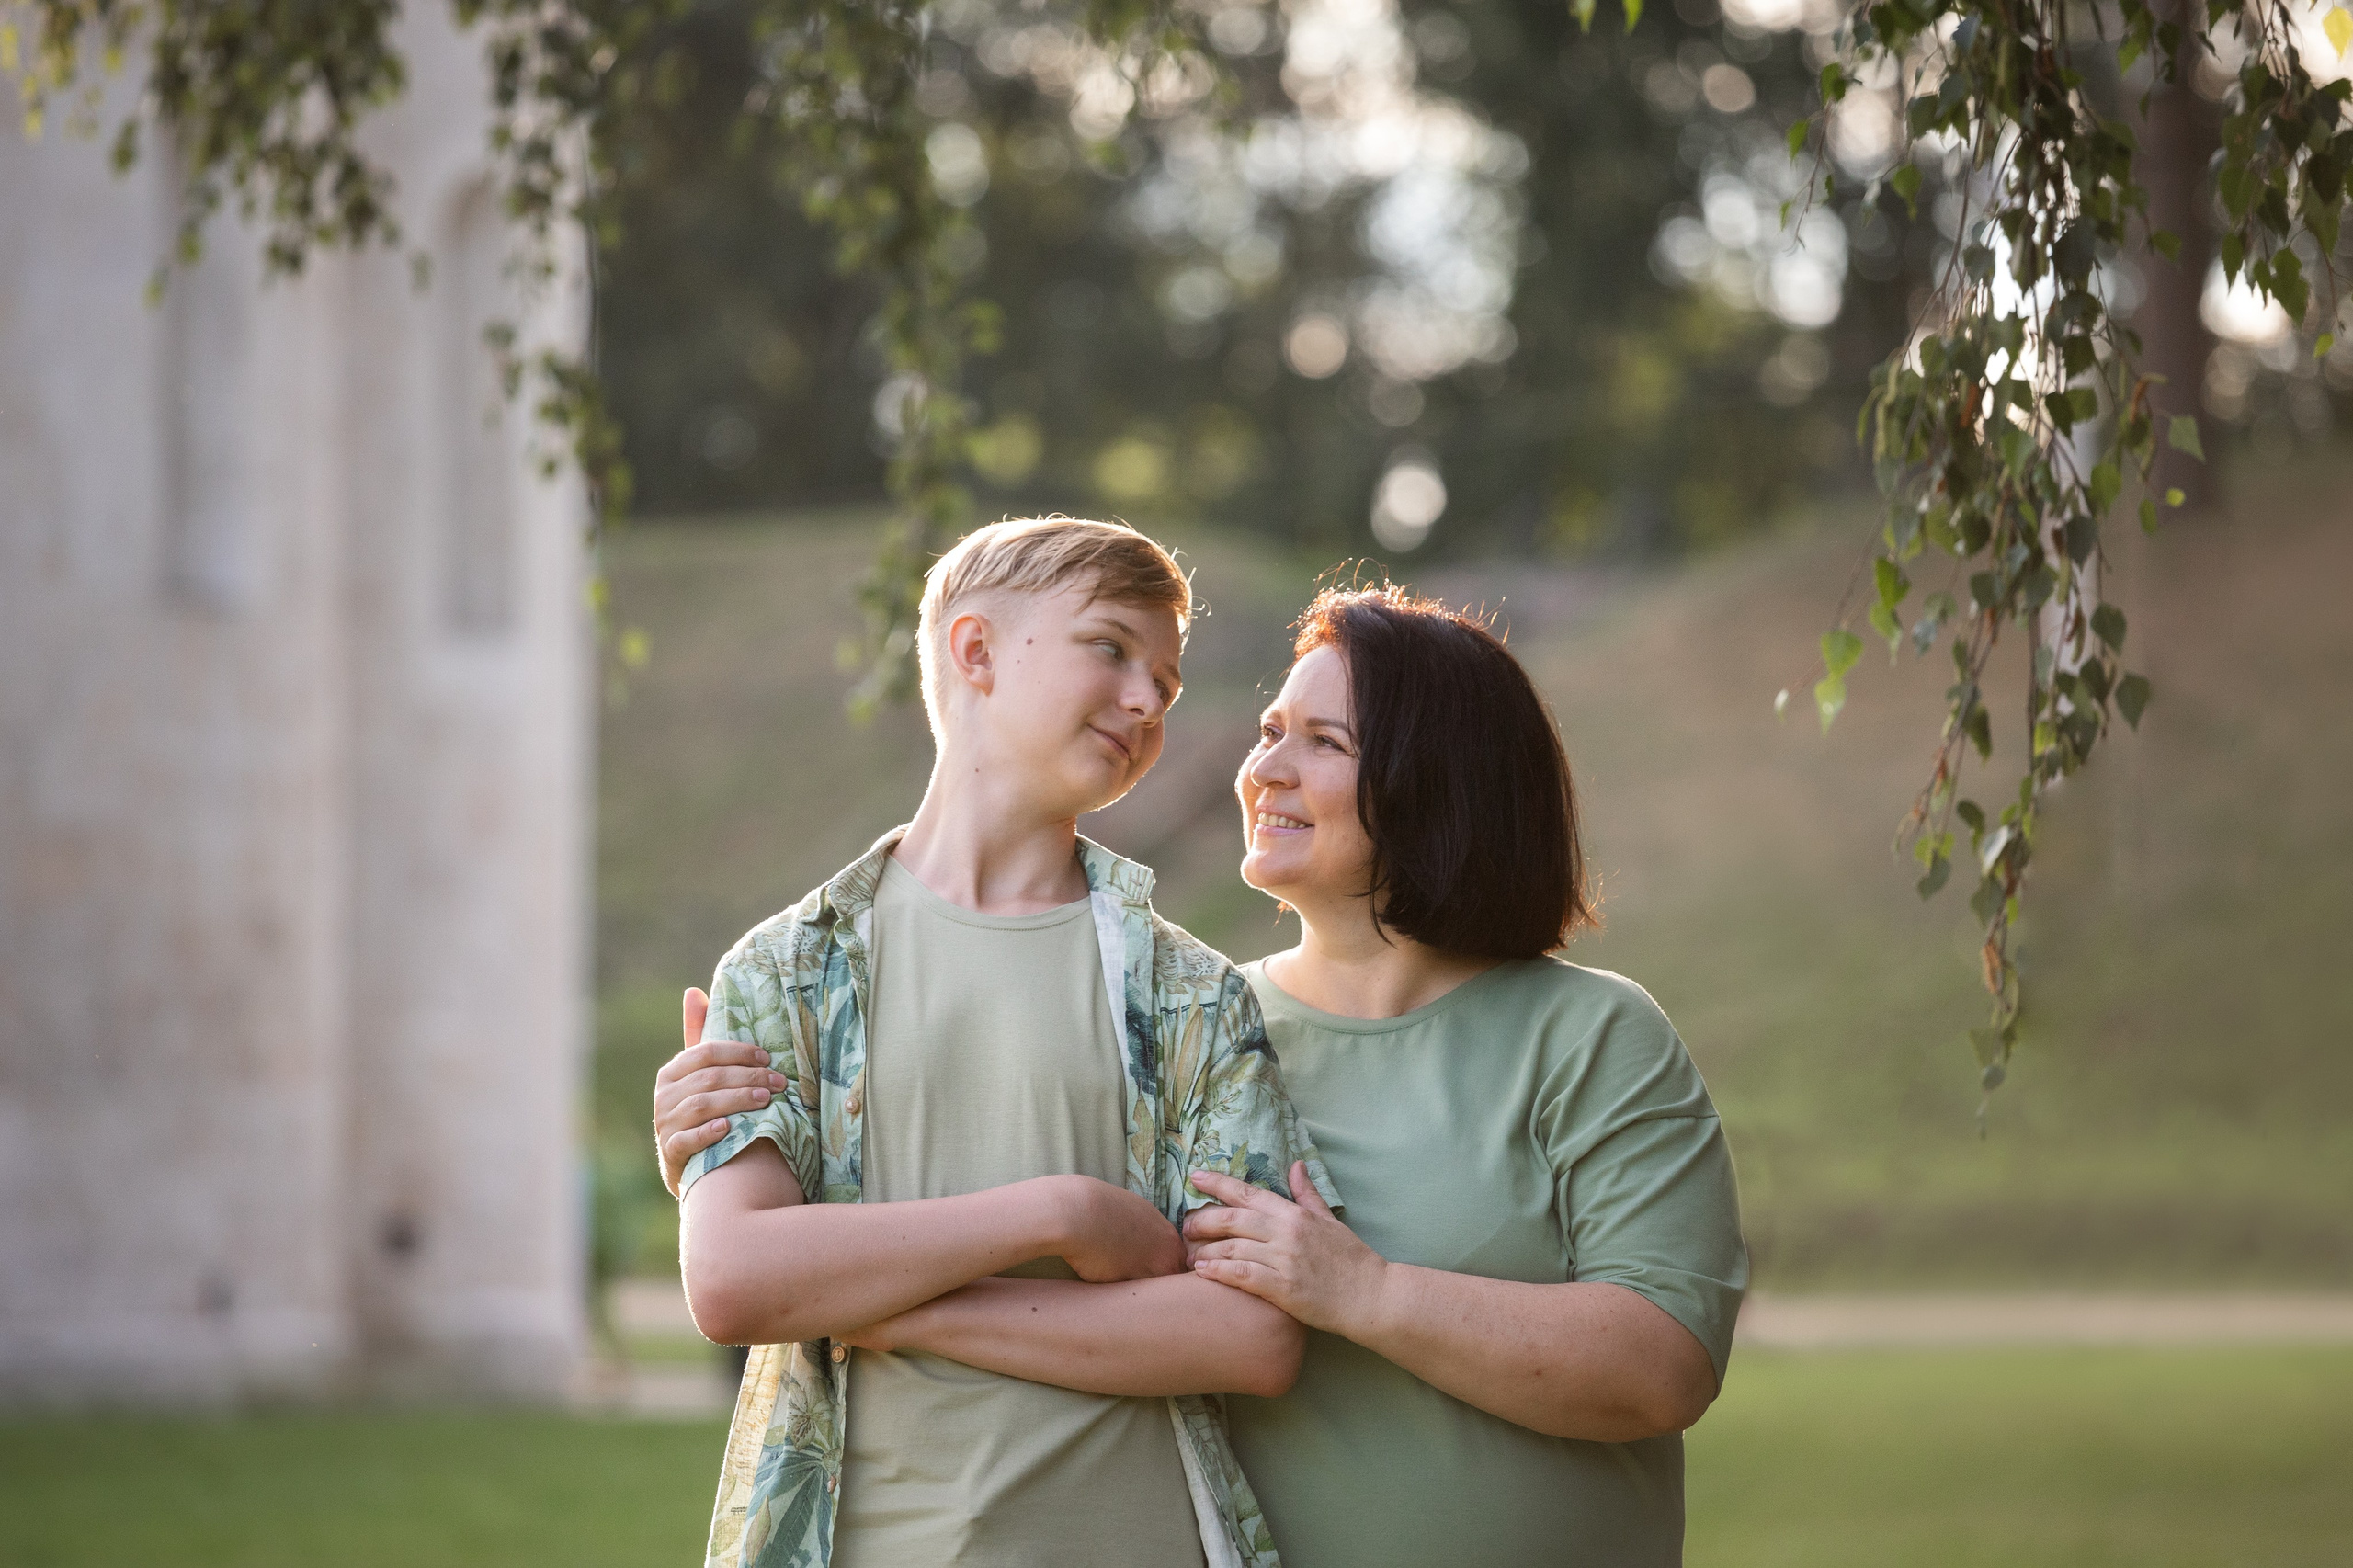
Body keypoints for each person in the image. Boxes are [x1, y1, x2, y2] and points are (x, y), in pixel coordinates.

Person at [658, 582, 1746, 1568]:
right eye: (1270, 730)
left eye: (1323, 741)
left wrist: (1363, 1291)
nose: (1263, 767)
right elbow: (963, 1218)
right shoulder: (1184, 1021)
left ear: (1441, 780)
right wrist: (731, 1145)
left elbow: (1661, 1367)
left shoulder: (1590, 1035)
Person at [670, 517, 1338, 1568]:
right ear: (975, 649)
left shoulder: (1191, 995)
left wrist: (875, 1298)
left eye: (1165, 684)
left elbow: (1251, 1335)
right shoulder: (788, 968)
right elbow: (734, 1281)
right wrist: (1063, 1211)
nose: (1146, 700)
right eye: (1111, 647)